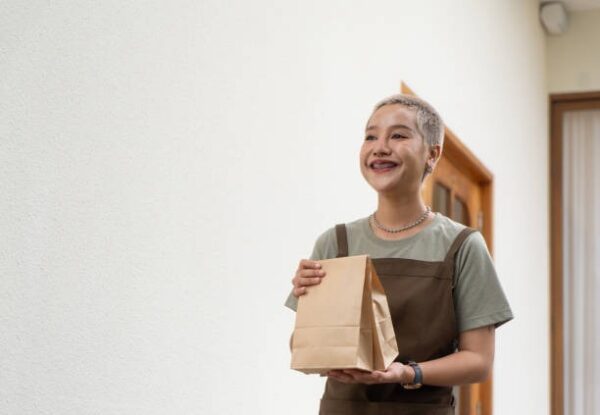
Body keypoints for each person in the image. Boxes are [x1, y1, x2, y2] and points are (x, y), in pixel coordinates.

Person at [284, 93, 514, 415]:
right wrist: (311, 308)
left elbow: (478, 361)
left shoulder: (461, 246)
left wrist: (408, 373)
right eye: (370, 136)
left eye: (398, 135)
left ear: (432, 154)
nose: (380, 147)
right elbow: (302, 349)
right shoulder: (335, 244)